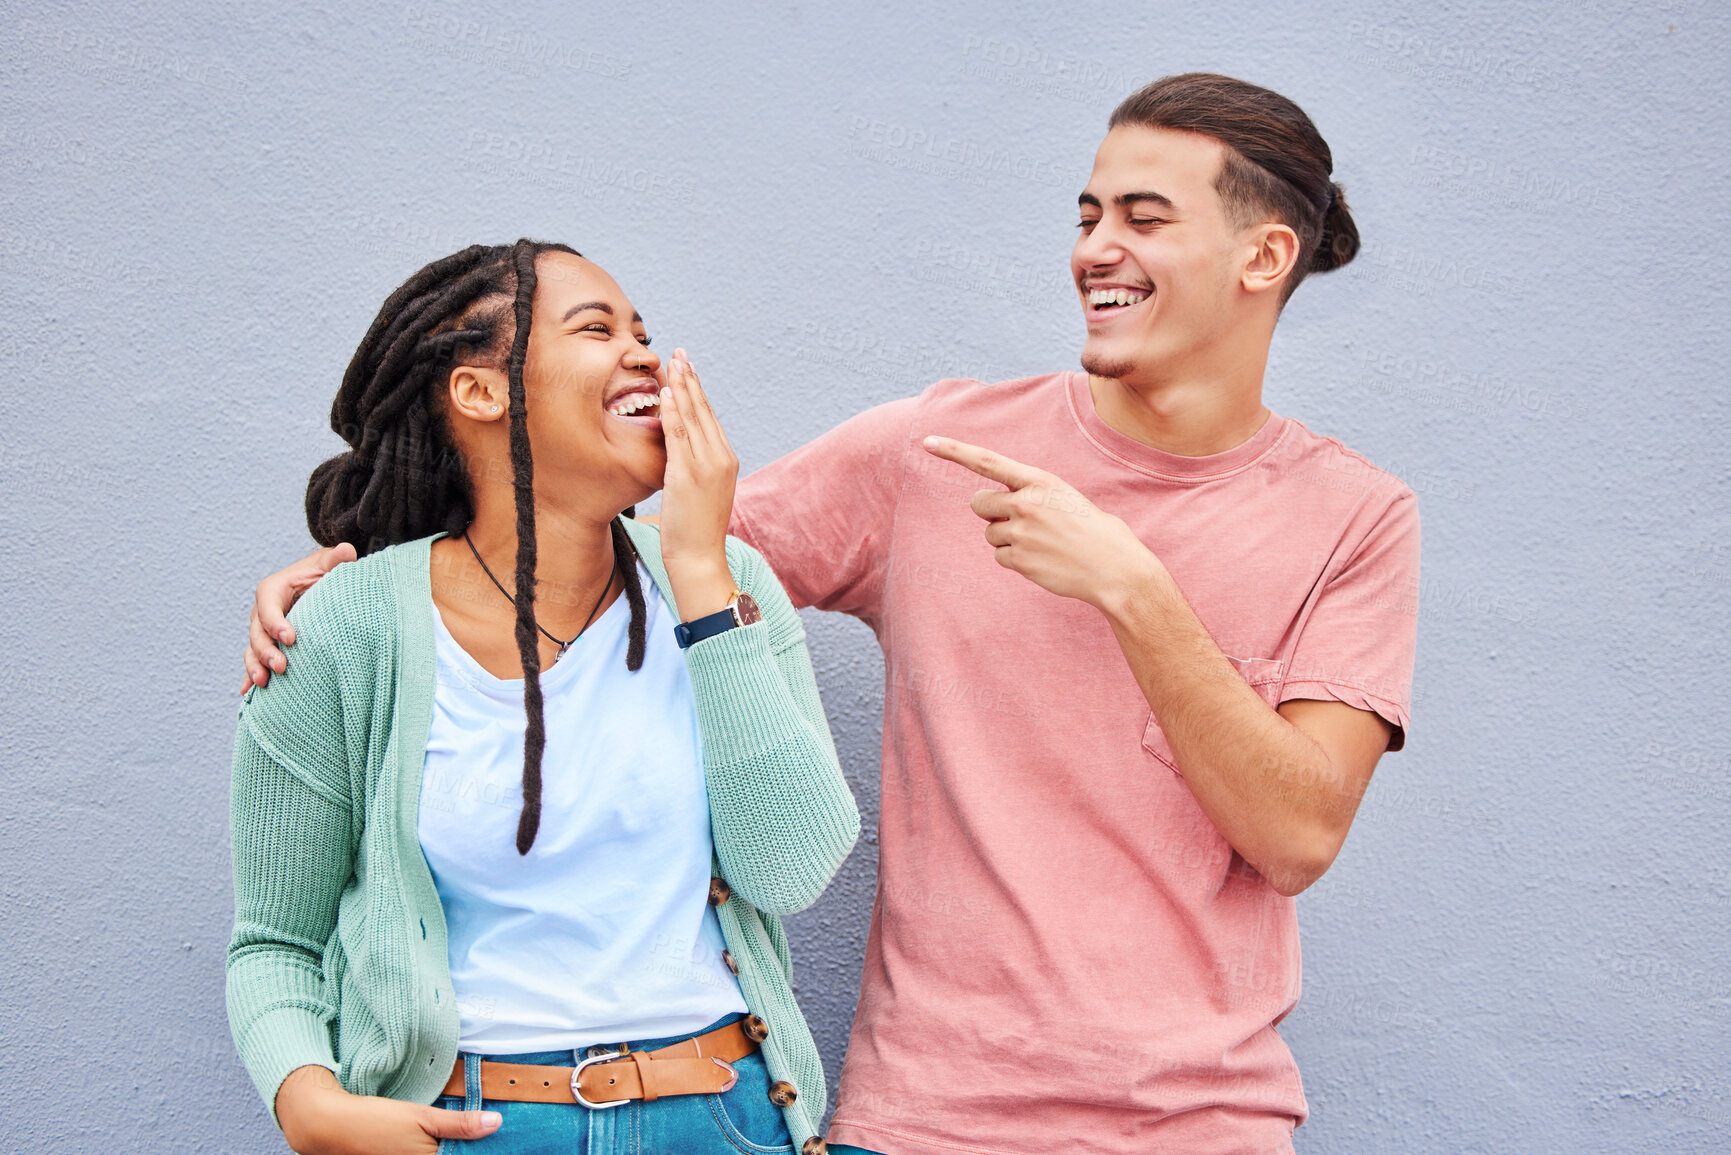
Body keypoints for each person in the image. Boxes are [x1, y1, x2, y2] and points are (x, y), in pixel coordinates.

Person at [246, 74, 1421, 1154]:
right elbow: (613, 554)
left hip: (1204, 1124)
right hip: (921, 1120)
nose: (1093, 249)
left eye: (1144, 218)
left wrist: (1134, 591)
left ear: (1265, 256)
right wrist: (362, 566)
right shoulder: (932, 457)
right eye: (1086, 215)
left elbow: (1297, 836)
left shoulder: (1355, 518)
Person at [227, 239, 858, 1155]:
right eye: (597, 328)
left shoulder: (726, 580)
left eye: (644, 330)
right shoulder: (347, 629)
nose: (643, 351)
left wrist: (697, 574)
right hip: (474, 1126)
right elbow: (273, 942)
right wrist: (309, 1103)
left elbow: (790, 868)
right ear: (478, 392)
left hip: (724, 1118)